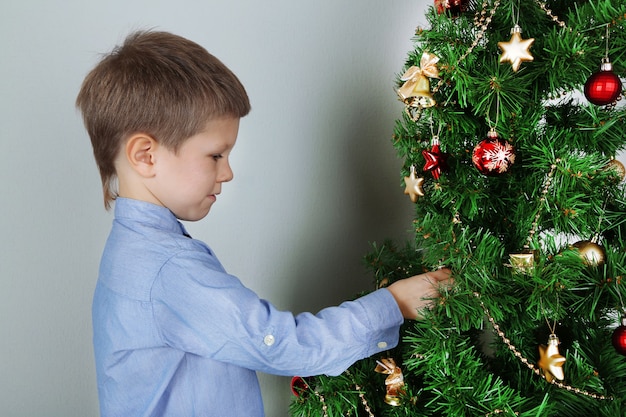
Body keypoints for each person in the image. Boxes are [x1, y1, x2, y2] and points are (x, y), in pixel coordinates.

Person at [76, 30, 452, 417]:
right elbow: (286, 344)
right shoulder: (168, 270)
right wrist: (395, 304)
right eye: (215, 155)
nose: (227, 173)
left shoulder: (131, 250)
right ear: (146, 156)